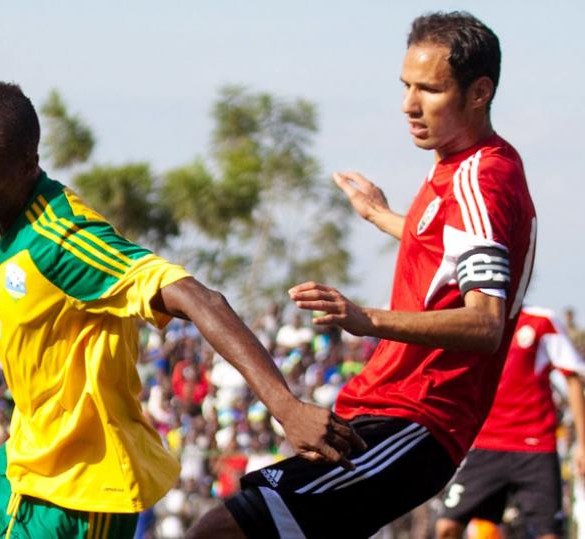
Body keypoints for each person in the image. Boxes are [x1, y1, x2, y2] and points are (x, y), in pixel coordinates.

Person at [0, 80, 364, 538]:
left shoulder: (62, 238)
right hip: (21, 463)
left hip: (83, 487)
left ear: (25, 166)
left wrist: (286, 407)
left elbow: (199, 297)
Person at [189, 11, 536, 538]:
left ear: (479, 92)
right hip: (385, 411)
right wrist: (380, 215)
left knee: (222, 529)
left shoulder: (480, 178)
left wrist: (364, 318)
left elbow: (485, 323)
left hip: (417, 419)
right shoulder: (464, 167)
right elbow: (451, 249)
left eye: (430, 90)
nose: (409, 106)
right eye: (406, 86)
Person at [435, 307, 585, 539]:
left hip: (535, 448)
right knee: (447, 526)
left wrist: (583, 445)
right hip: (486, 446)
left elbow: (572, 378)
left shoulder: (542, 322)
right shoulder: (470, 323)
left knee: (549, 534)